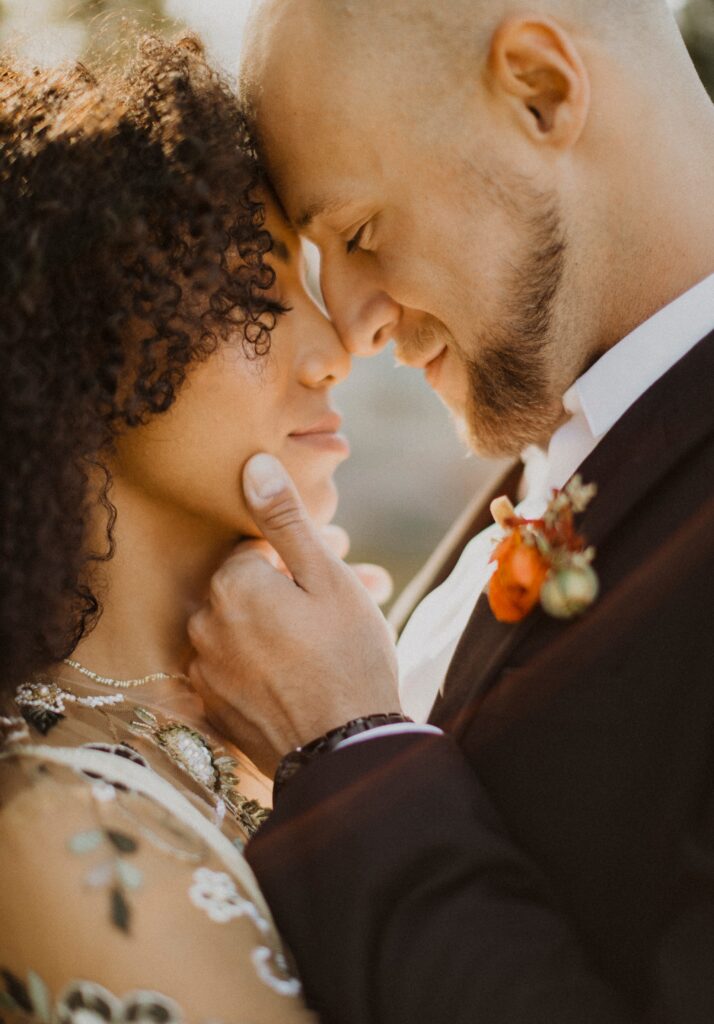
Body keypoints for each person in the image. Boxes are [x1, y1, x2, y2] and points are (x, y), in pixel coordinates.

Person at [186, 1, 714, 1022]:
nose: (350, 324)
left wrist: (343, 748)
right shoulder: (571, 440)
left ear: (541, 92)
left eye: (361, 232)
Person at [0, 34, 358, 1023]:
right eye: (256, 293)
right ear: (86, 331)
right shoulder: (55, 834)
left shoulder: (289, 702)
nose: (333, 353)